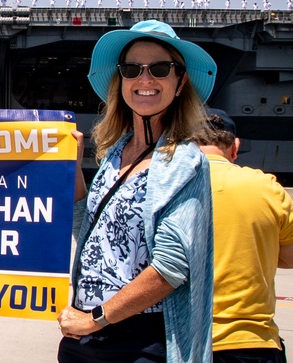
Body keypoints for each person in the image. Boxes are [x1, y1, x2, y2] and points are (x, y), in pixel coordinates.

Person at [59, 20, 215, 363]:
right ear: (121, 81)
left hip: (136, 340)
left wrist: (95, 318)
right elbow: (88, 230)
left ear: (181, 81)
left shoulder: (185, 162)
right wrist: (69, 165)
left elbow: (170, 269)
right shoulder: (117, 152)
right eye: (132, 69)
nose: (145, 80)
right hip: (83, 335)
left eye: (160, 68)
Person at [195, 109, 293, 363]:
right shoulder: (266, 186)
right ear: (235, 148)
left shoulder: (163, 185)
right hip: (252, 343)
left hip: (180, 341)